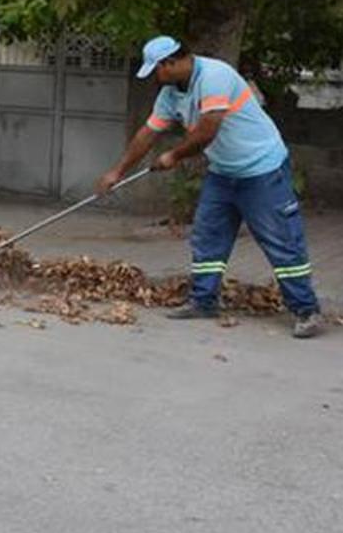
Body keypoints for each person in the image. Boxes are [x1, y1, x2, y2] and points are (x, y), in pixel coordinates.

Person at [96, 35, 323, 338]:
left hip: (262, 169)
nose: (155, 77)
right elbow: (147, 133)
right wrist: (118, 172)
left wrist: (174, 155)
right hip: (223, 172)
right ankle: (203, 301)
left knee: (281, 240)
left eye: (157, 70)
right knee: (208, 236)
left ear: (172, 62)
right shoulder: (171, 94)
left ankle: (306, 310)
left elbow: (208, 129)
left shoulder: (215, 76)